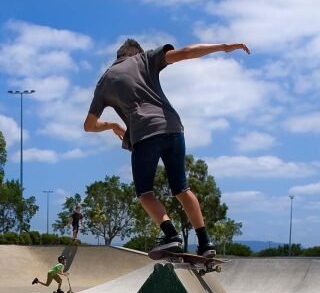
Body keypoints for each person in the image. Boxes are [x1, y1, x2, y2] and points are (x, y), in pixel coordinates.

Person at [84, 39, 250, 257]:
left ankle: (171, 235)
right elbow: (188, 52)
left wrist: (113, 125)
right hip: (173, 127)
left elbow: (89, 126)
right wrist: (223, 47)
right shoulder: (145, 59)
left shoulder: (104, 81)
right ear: (136, 53)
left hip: (144, 133)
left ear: (119, 56)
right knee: (181, 188)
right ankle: (205, 243)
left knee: (145, 192)